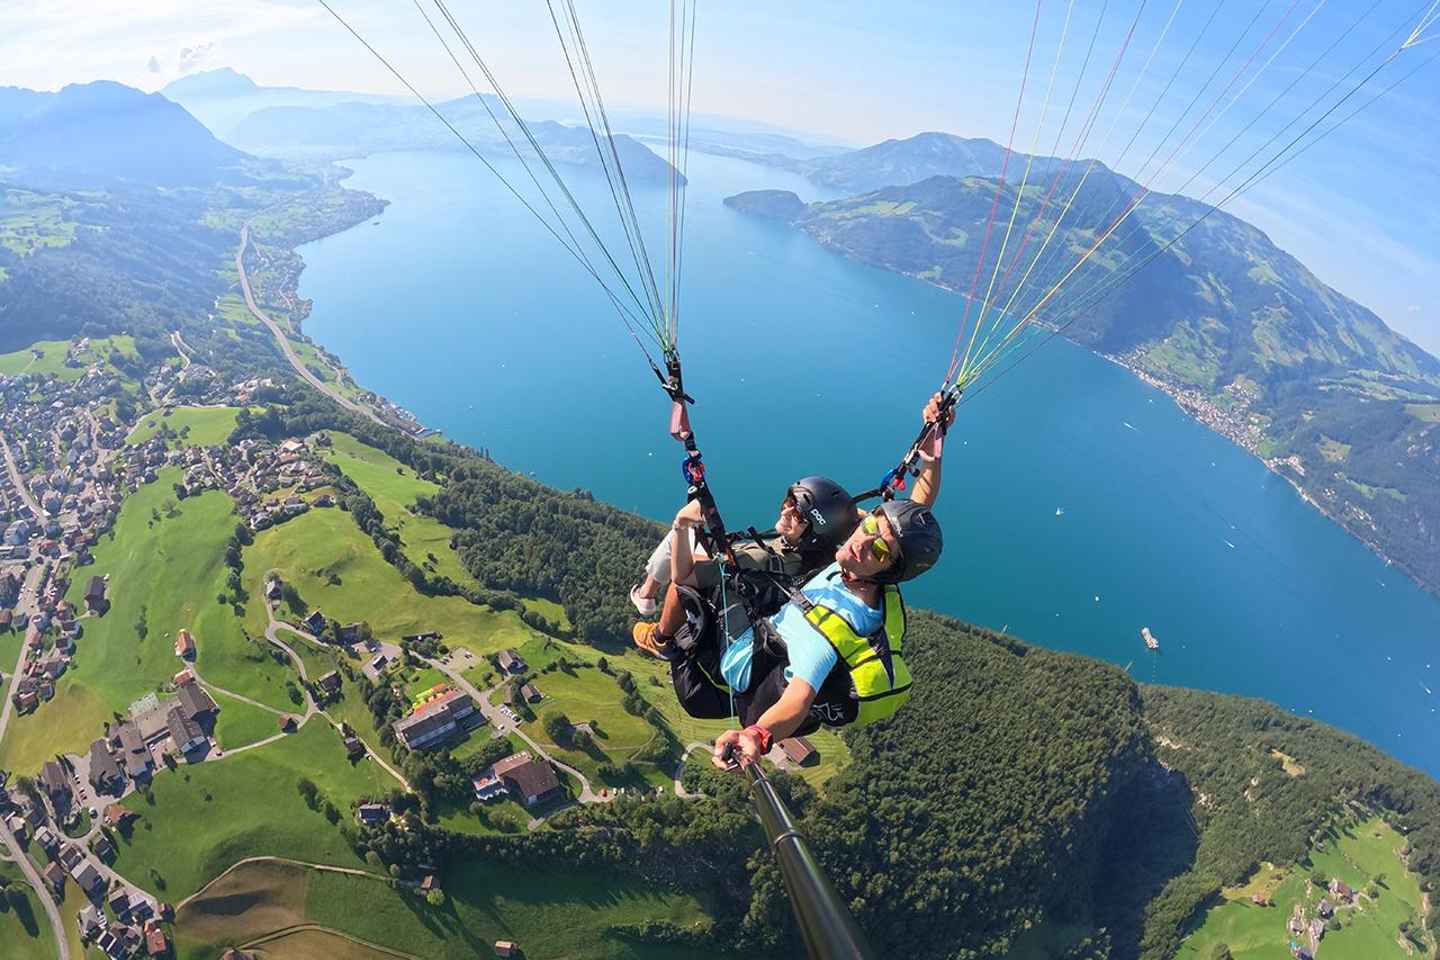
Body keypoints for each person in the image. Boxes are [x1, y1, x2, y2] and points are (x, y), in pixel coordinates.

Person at [637, 395, 952, 756]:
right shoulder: (871, 572)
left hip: (744, 658)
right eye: (871, 524)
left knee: (695, 573)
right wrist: (932, 451)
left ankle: (662, 640)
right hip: (779, 632)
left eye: (879, 549)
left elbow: (799, 699)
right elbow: (915, 512)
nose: (863, 541)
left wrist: (756, 735)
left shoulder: (825, 631)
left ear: (888, 569)